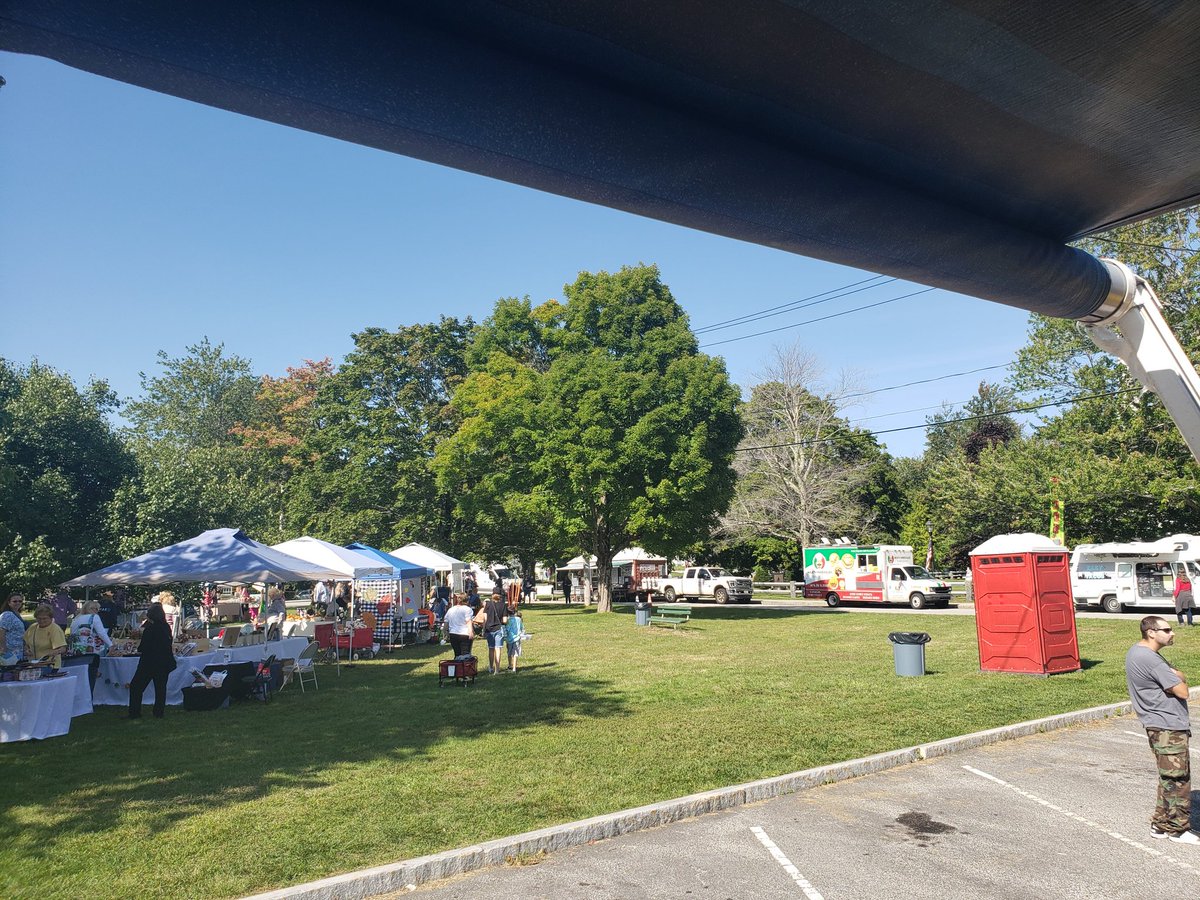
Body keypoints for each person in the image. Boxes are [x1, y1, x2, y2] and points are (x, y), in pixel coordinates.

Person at [1126, 615, 1200, 844]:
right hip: (1168, 726)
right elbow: (1183, 691)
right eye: (1166, 630)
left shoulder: (1139, 652)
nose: (1172, 633)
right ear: (1151, 632)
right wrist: (1175, 678)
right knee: (1178, 780)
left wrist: (1175, 677)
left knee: (1169, 778)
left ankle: (1160, 825)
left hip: (1161, 725)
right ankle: (1177, 830)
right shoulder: (1151, 659)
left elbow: (1178, 677)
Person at [128, 602, 176, 720]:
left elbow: (143, 647)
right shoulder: (166, 627)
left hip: (149, 662)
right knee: (160, 688)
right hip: (164, 661)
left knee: (136, 687)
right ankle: (159, 712)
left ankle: (134, 712)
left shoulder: (150, 629)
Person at [24, 603, 68, 669]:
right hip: (33, 665)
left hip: (50, 666)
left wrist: (55, 652)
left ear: (51, 618)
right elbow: (26, 643)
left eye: (44, 618)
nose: (41, 621)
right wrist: (27, 650)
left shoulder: (55, 629)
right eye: (39, 618)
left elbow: (63, 648)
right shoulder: (32, 627)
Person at [479, 588, 509, 675]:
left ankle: (491, 667)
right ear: (500, 596)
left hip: (489, 629)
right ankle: (497, 669)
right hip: (499, 629)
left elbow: (485, 618)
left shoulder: (488, 604)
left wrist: (483, 629)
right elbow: (505, 620)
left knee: (491, 649)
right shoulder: (503, 605)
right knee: (498, 649)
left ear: (492, 595)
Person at [444, 593, 474, 659]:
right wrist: (471, 632)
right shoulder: (468, 609)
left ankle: (456, 664)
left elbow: (446, 622)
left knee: (457, 654)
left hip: (453, 634)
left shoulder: (451, 609)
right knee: (465, 655)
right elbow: (468, 621)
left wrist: (445, 634)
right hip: (464, 634)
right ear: (467, 601)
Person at [1, 593, 27, 662]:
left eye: (20, 601)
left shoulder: (17, 614)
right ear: (9, 603)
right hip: (10, 652)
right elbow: (1, 631)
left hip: (19, 651)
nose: (18, 603)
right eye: (15, 601)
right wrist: (3, 648)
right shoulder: (7, 615)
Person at [504, 606, 525, 672]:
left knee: (509, 653)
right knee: (515, 653)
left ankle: (510, 665)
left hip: (509, 639)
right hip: (517, 638)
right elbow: (522, 627)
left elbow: (507, 629)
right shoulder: (519, 619)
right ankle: (514, 668)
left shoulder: (508, 620)